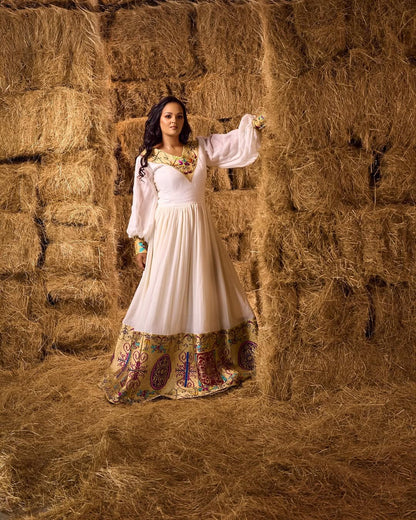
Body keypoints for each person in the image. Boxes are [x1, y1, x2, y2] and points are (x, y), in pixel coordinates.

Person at [98, 96, 265, 403]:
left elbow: (234, 144)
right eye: (167, 117)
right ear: (158, 122)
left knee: (205, 287)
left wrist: (255, 125)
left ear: (184, 120)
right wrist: (140, 243)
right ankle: (159, 366)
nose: (173, 121)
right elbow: (143, 206)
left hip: (201, 231)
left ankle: (209, 362)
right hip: (169, 233)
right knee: (165, 291)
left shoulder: (200, 148)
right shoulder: (147, 160)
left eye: (178, 116)